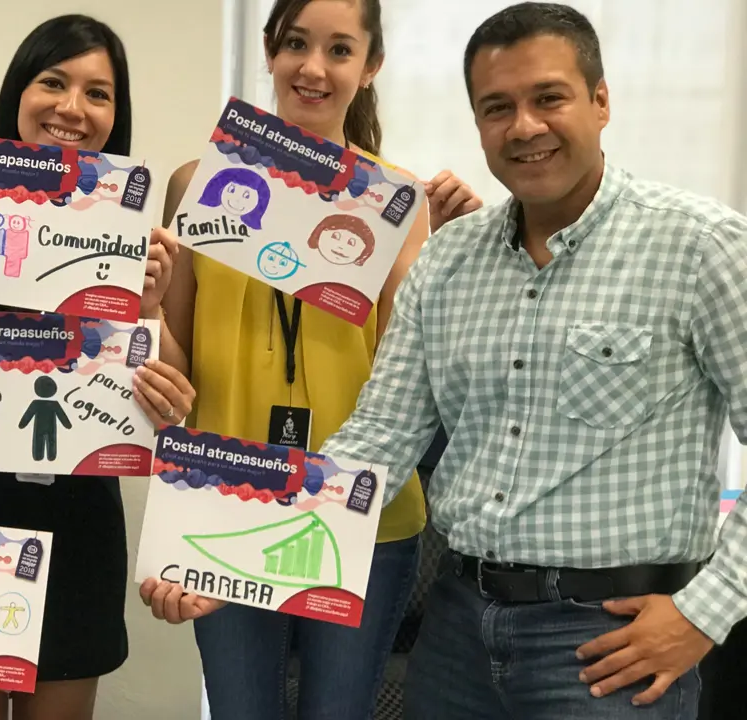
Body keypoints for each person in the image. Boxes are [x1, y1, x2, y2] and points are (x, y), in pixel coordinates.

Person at [316, 3, 747, 718]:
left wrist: (705, 612)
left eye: (549, 97)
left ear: (601, 100)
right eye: (497, 107)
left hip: (610, 642)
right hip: (456, 633)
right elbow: (378, 441)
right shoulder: (446, 261)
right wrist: (226, 558)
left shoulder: (702, 248)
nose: (524, 126)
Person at [135, 1, 483, 718]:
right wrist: (144, 307)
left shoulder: (398, 203)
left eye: (339, 50)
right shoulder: (198, 182)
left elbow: (414, 381)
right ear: (268, 50)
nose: (313, 67)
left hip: (363, 511)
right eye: (296, 43)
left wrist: (445, 264)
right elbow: (174, 374)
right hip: (223, 501)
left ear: (370, 67)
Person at [0, 14, 196, 720]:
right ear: (19, 91)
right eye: (54, 82)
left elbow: (167, 391)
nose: (72, 108)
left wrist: (150, 313)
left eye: (98, 93)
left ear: (118, 113)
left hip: (75, 512)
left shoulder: (129, 227)